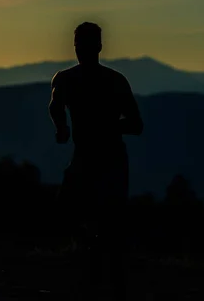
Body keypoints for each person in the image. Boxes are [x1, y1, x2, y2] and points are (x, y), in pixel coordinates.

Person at [49, 22, 143, 300]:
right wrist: (62, 127)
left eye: (86, 44)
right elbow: (55, 105)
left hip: (110, 160)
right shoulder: (68, 79)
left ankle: (105, 271)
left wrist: (104, 128)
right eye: (79, 44)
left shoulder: (113, 81)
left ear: (99, 47)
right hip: (88, 158)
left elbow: (136, 124)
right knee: (67, 210)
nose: (81, 50)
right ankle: (93, 256)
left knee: (107, 222)